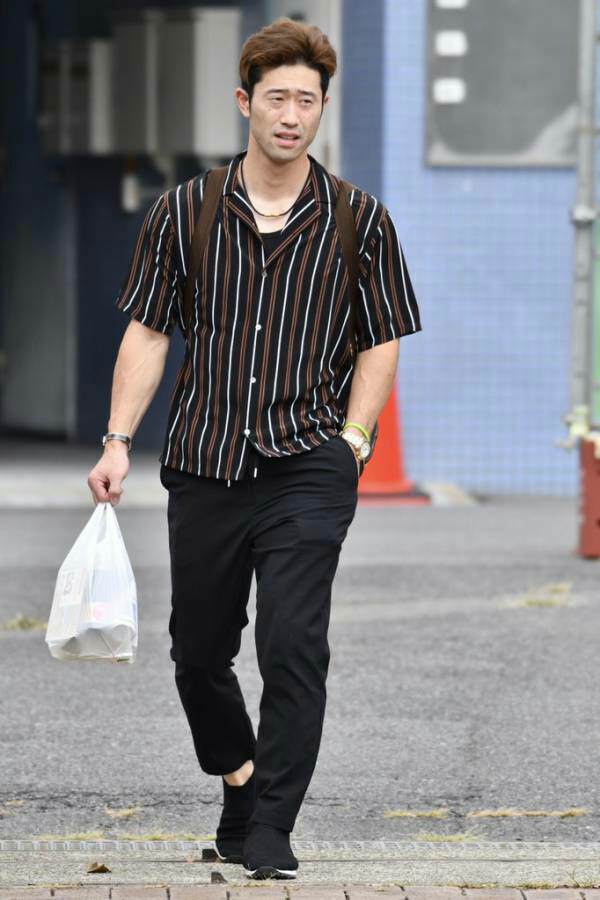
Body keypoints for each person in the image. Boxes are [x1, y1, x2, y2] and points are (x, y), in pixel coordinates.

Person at [87, 16, 422, 881]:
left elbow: (383, 337)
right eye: (277, 98)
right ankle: (238, 780)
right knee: (198, 653)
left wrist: (353, 440)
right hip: (206, 463)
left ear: (321, 109)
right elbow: (148, 332)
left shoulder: (359, 221)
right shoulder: (184, 211)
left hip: (309, 462)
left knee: (292, 644)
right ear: (245, 102)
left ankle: (272, 823)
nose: (291, 115)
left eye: (307, 100)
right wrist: (118, 440)